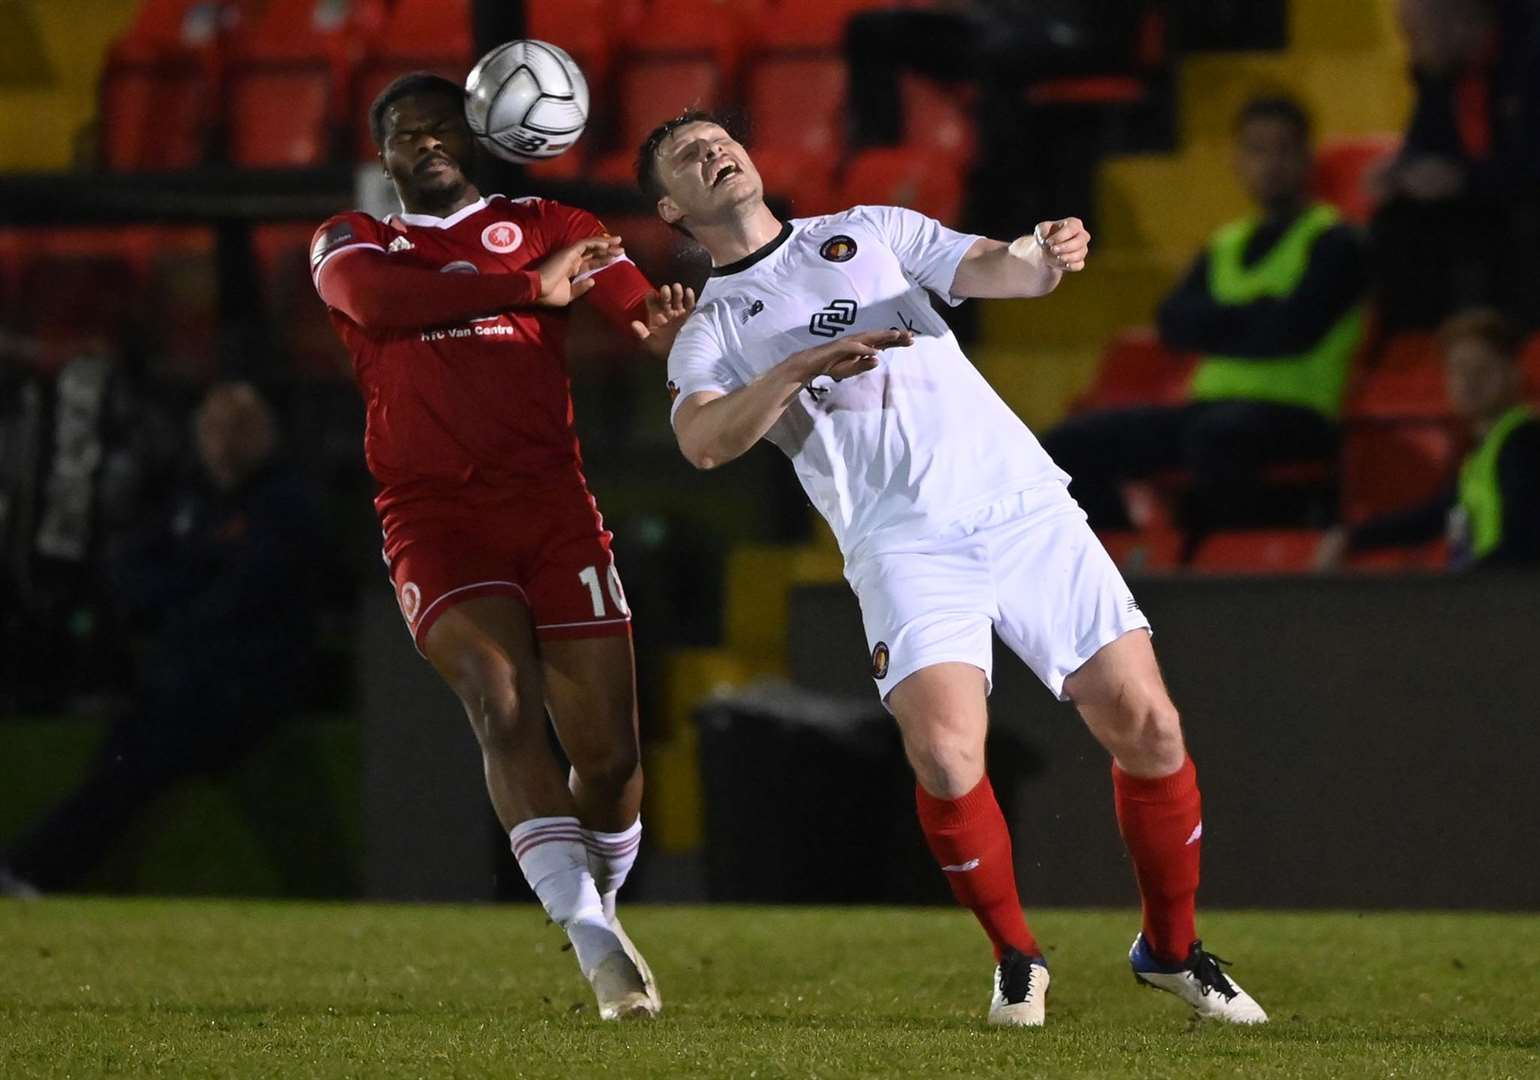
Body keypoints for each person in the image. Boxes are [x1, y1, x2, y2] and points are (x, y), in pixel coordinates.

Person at [635, 111, 1268, 1028]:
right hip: (901, 543)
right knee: (943, 753)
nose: (714, 151)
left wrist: (1047, 252)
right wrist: (798, 367)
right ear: (672, 206)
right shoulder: (711, 331)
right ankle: (1017, 958)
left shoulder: (871, 230)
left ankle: (1170, 951)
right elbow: (701, 442)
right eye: (688, 156)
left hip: (1019, 506)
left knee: (1151, 728)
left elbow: (998, 268)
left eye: (721, 136)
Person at [309, 73, 693, 1020]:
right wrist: (529, 289)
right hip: (431, 514)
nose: (427, 143)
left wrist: (673, 333)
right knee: (500, 697)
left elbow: (641, 314)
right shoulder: (355, 240)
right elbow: (377, 301)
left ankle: (598, 897)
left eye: (444, 127)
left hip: (553, 507)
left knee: (608, 763)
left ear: (480, 135)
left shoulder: (554, 222)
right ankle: (590, 937)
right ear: (383, 153)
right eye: (407, 133)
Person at [0, 383, 324, 898]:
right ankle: (40, 871)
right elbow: (130, 571)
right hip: (183, 682)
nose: (226, 441)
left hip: (246, 688)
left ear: (268, 435)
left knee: (135, 766)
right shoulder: (191, 500)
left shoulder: (285, 505)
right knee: (121, 764)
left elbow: (242, 596)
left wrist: (181, 590)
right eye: (216, 427)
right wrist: (185, 587)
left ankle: (30, 870)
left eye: (241, 427)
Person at [1041, 96, 1366, 552]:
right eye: (1256, 150)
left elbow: (1293, 331)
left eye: (1283, 149)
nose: (1269, 164)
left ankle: (1237, 559)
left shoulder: (1337, 241)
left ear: (1306, 158)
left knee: (1217, 438)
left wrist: (1222, 324)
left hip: (1298, 413)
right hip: (1211, 409)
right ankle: (1133, 555)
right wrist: (1261, 316)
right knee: (1068, 444)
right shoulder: (1225, 244)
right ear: (1237, 160)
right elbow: (1174, 323)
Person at [1316, 308, 1540, 570]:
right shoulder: (1483, 451)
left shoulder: (1524, 444)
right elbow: (1439, 515)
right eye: (1458, 370)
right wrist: (1353, 537)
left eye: (1482, 369)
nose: (1469, 381)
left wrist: (1466, 587)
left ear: (1513, 373)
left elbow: (1524, 545)